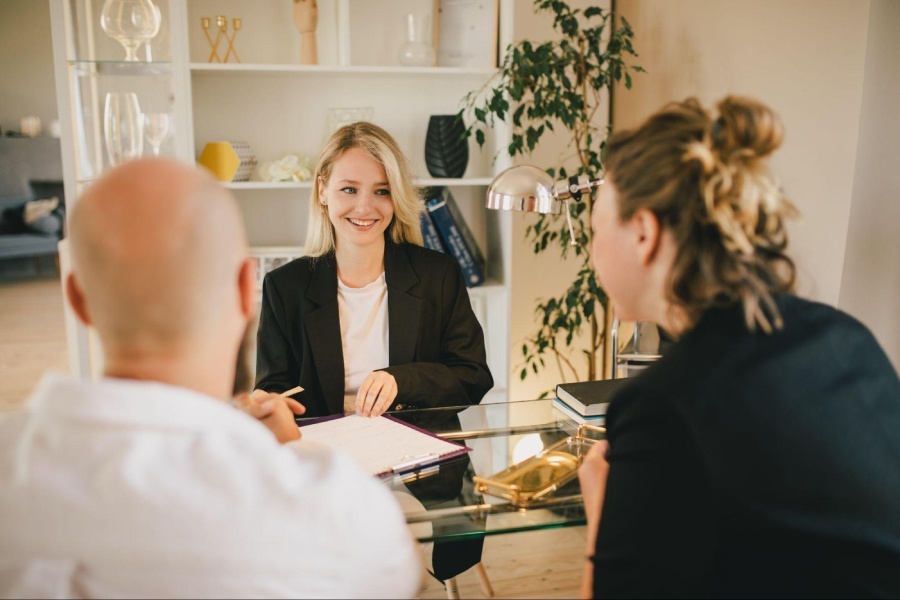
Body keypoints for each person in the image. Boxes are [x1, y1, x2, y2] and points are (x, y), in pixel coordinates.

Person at [0, 158, 422, 598]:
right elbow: (400, 573)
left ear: (77, 299)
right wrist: (289, 453)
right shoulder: (335, 505)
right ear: (245, 288)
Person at [577, 96, 900, 598]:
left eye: (596, 231)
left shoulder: (662, 404)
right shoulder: (846, 337)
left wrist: (600, 506)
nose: (592, 255)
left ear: (644, 233)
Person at [255, 121, 493, 418]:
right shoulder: (284, 287)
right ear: (322, 191)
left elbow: (474, 376)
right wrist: (265, 403)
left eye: (381, 191)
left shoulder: (438, 274)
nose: (365, 208)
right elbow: (274, 387)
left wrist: (402, 380)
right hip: (327, 453)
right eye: (349, 189)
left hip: (419, 450)